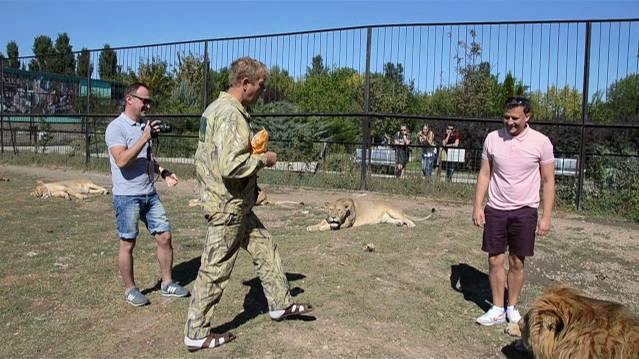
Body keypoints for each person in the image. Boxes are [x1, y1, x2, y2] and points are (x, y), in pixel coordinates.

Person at [184, 57, 313, 351]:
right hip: (227, 207)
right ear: (245, 84)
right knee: (215, 270)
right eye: (260, 85)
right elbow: (230, 165)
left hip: (235, 203)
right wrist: (263, 159)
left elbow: (210, 158)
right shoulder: (230, 115)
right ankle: (196, 332)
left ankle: (280, 303)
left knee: (264, 246)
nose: (262, 91)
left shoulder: (215, 109)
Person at [472, 96, 555, 326]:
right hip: (496, 208)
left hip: (525, 211)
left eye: (515, 118)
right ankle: (497, 308)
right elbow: (484, 174)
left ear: (527, 117)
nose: (510, 122)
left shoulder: (541, 142)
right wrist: (478, 206)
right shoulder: (492, 139)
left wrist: (546, 217)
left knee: (517, 261)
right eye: (506, 117)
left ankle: (512, 307)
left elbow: (548, 181)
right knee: (495, 259)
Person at [104, 82, 189, 307]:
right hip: (127, 195)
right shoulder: (116, 128)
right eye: (145, 100)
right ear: (129, 99)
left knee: (164, 236)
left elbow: (146, 158)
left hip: (149, 193)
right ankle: (131, 289)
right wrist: (144, 137)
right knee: (128, 243)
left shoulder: (143, 125)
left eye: (150, 101)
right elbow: (121, 160)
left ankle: (167, 283)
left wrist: (163, 172)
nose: (148, 105)